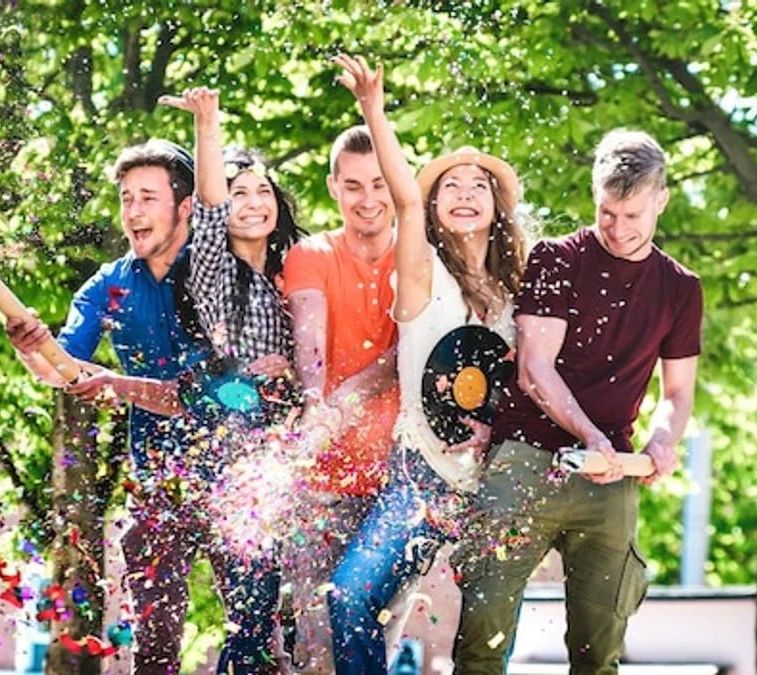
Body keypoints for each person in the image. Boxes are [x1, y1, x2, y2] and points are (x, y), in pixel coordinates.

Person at [2, 140, 277, 675]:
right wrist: (31, 346)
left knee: (256, 651)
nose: (133, 212)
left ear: (186, 206)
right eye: (126, 198)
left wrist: (116, 383)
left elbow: (213, 392)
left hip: (240, 487)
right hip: (158, 491)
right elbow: (67, 370)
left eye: (148, 197)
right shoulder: (109, 285)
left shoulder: (223, 275)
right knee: (152, 656)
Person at [452, 129, 704, 675]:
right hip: (523, 463)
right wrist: (590, 435)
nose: (617, 228)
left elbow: (678, 392)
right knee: (481, 642)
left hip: (611, 477)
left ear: (661, 199)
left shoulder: (681, 287)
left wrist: (662, 441)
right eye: (606, 212)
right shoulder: (556, 258)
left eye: (633, 215)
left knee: (600, 650)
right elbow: (534, 368)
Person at [326, 54, 531, 675]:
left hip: (498, 479)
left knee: (485, 642)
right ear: (433, 205)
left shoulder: (521, 293)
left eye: (479, 188)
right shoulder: (421, 276)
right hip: (420, 479)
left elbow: (534, 381)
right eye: (450, 188)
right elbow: (405, 202)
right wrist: (372, 109)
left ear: (496, 207)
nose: (465, 195)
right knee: (350, 598)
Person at [157, 86, 306, 674]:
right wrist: (209, 122)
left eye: (262, 191)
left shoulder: (297, 275)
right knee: (251, 616)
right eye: (240, 191)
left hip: (299, 457)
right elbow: (213, 209)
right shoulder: (215, 271)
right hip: (243, 462)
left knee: (295, 621)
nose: (251, 201)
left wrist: (293, 369)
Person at [279, 123, 402, 673]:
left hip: (396, 487)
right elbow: (310, 334)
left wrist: (345, 398)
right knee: (312, 651)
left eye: (379, 183)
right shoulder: (311, 254)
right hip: (318, 486)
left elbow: (405, 356)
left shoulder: (423, 257)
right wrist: (315, 398)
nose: (369, 199)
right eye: (354, 186)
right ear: (334, 187)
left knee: (374, 643)